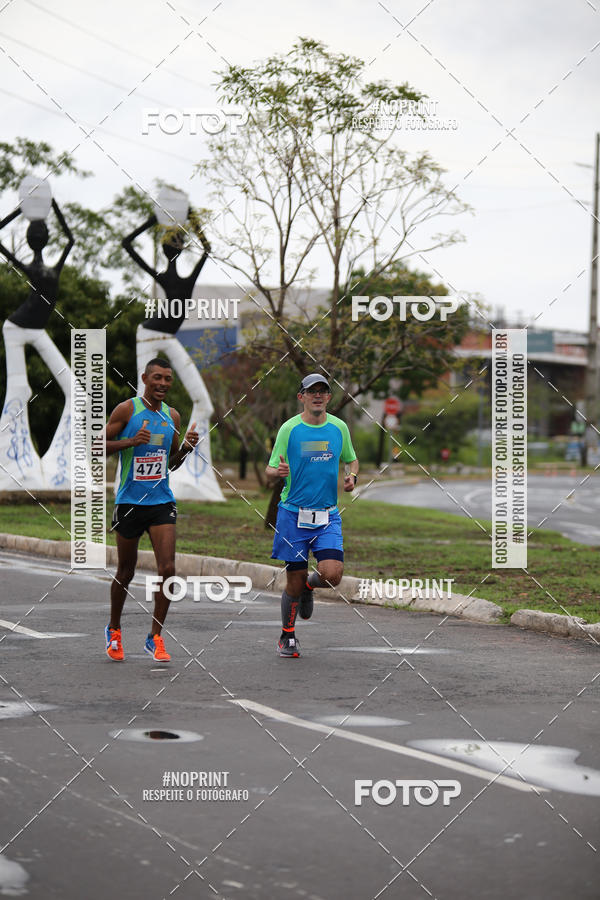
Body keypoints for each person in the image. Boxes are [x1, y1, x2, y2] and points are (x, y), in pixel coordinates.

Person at [103, 357, 199, 662]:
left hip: (161, 502)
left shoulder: (172, 416)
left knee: (168, 570)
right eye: (157, 377)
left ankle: (155, 636)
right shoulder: (127, 410)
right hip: (129, 502)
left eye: (168, 379)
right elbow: (97, 445)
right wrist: (131, 441)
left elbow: (170, 462)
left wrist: (185, 448)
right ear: (145, 377)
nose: (162, 384)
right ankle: (114, 629)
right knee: (126, 571)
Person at [265, 373, 359, 658]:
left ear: (329, 397)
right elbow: (270, 470)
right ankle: (287, 635)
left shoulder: (339, 428)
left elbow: (351, 459)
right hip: (293, 515)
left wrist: (351, 475)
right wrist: (277, 473)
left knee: (333, 575)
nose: (317, 395)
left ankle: (310, 585)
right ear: (301, 397)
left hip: (327, 515)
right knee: (291, 582)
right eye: (311, 391)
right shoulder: (289, 429)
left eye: (323, 391)